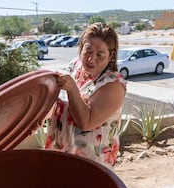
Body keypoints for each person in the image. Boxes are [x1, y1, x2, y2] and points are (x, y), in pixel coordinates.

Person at [45, 22, 127, 169]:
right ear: (81, 47)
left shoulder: (113, 85)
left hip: (90, 163)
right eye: (88, 51)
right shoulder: (75, 66)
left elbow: (86, 123)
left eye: (100, 54)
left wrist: (72, 90)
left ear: (111, 55)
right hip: (62, 151)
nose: (91, 59)